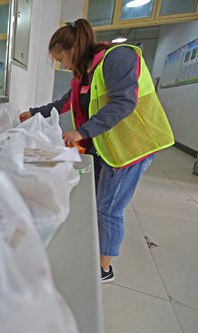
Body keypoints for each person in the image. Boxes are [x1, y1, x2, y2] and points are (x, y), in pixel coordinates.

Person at [20, 19, 174, 283]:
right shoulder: (84, 73)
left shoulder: (118, 59)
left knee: (108, 208)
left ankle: (104, 269)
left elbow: (124, 102)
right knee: (95, 199)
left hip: (132, 145)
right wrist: (33, 114)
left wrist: (81, 132)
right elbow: (65, 102)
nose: (62, 65)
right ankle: (96, 249)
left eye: (61, 59)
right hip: (106, 144)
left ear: (72, 49)